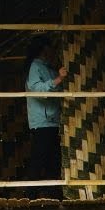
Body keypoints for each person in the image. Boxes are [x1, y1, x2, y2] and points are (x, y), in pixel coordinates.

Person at [25, 35, 67, 199]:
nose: (53, 51)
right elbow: (36, 89)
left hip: (53, 121)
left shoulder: (48, 67)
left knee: (53, 159)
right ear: (44, 49)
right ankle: (30, 196)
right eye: (51, 48)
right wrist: (58, 79)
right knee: (39, 158)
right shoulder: (35, 66)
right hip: (42, 122)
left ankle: (53, 195)